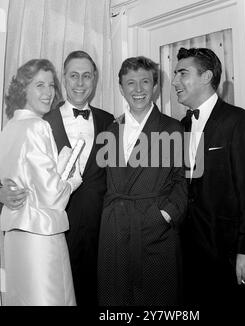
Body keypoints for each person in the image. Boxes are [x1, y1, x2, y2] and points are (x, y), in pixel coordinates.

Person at [0, 51, 114, 306]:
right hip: (50, 230)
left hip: (98, 232)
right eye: (74, 76)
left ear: (95, 79)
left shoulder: (110, 122)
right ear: (64, 78)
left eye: (87, 76)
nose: (80, 83)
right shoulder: (42, 120)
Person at [172, 47, 245, 307]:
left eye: (182, 73)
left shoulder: (240, 122)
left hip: (228, 255)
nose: (174, 81)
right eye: (175, 74)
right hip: (188, 255)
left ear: (206, 77)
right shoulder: (180, 127)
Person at [97, 56, 188, 306]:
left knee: (158, 302)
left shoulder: (174, 129)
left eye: (145, 82)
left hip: (155, 230)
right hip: (114, 232)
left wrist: (165, 216)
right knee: (116, 302)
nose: (138, 90)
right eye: (131, 83)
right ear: (121, 88)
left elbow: (183, 181)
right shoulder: (109, 130)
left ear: (155, 86)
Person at [0, 59, 82, 306]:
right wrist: (71, 177)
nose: (48, 92)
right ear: (23, 89)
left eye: (51, 85)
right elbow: (52, 196)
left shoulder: (9, 128)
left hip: (14, 238)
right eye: (39, 85)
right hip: (41, 238)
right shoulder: (38, 126)